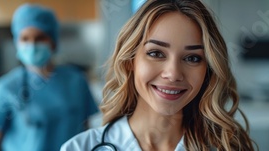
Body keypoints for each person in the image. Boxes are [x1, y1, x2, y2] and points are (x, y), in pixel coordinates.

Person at [61, 0, 256, 150]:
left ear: (208, 70)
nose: (173, 74)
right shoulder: (79, 148)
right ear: (130, 61)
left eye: (193, 58)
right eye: (156, 53)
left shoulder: (227, 147)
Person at [0, 3, 98, 151]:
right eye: (25, 38)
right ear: (17, 42)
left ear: (53, 42)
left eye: (40, 38)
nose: (32, 44)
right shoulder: (6, 87)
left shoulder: (76, 81)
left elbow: (87, 131)